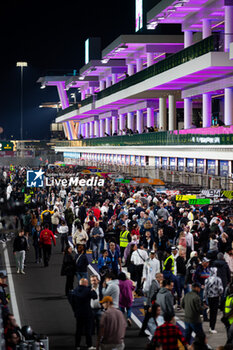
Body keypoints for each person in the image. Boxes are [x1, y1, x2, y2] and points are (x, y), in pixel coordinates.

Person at [68, 278, 97, 350]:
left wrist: (75, 311)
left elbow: (72, 302)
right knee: (88, 330)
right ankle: (89, 345)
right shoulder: (88, 290)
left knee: (78, 330)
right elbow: (95, 297)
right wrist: (93, 290)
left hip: (78, 313)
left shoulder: (74, 291)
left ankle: (77, 345)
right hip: (87, 313)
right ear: (86, 283)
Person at [204, 267, 223, 333]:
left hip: (209, 297)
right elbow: (221, 289)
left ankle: (210, 326)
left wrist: (204, 298)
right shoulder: (218, 279)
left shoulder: (207, 280)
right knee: (214, 313)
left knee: (211, 311)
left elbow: (205, 290)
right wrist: (220, 294)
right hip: (216, 297)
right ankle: (212, 327)